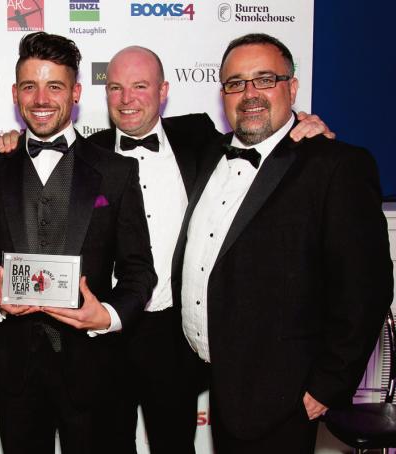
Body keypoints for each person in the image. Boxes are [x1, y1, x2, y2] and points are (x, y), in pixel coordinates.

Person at [86, 46, 333, 454]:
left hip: (173, 334)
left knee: (176, 443)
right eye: (115, 87)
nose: (127, 99)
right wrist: (8, 143)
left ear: (164, 91)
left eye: (140, 86)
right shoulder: (87, 154)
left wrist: (305, 126)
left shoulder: (200, 138)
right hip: (105, 330)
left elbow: (264, 138)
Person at [171, 33, 393, 452]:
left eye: (264, 79)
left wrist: (328, 384)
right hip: (218, 379)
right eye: (236, 83)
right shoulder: (206, 150)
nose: (249, 93)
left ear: (292, 87)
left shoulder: (335, 165)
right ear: (223, 94)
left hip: (284, 394)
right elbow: (135, 119)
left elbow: (366, 288)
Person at [0, 31, 156, 454]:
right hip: (12, 369)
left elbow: (139, 270)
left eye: (55, 86)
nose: (41, 99)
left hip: (95, 368)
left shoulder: (116, 171)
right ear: (14, 93)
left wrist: (106, 316)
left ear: (76, 93)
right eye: (29, 86)